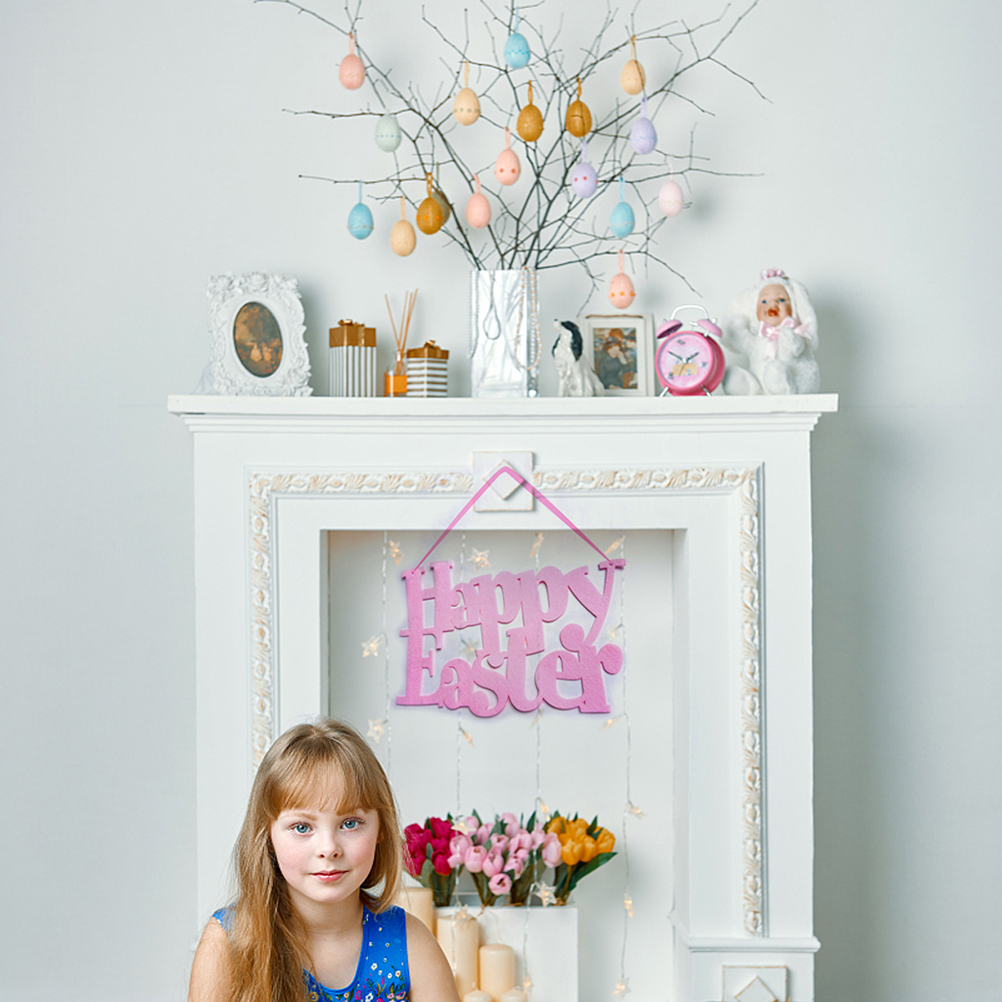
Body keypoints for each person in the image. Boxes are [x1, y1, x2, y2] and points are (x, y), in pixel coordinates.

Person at [188, 719, 460, 1002]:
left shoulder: (411, 944)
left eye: (350, 823)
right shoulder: (228, 943)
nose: (329, 849)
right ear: (267, 835)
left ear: (381, 828)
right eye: (302, 827)